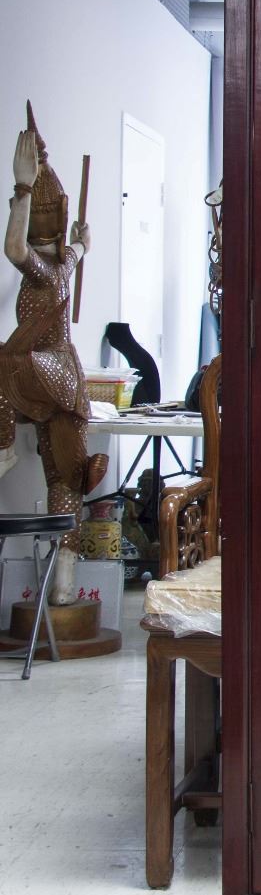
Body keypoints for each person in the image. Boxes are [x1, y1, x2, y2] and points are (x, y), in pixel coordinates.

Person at [0, 107, 107, 603]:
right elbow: (77, 254)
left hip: (53, 371)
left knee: (8, 360)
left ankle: (4, 444)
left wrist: (23, 188)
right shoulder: (63, 262)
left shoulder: (45, 269)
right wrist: (84, 244)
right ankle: (61, 586)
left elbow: (14, 250)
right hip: (60, 377)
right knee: (63, 477)